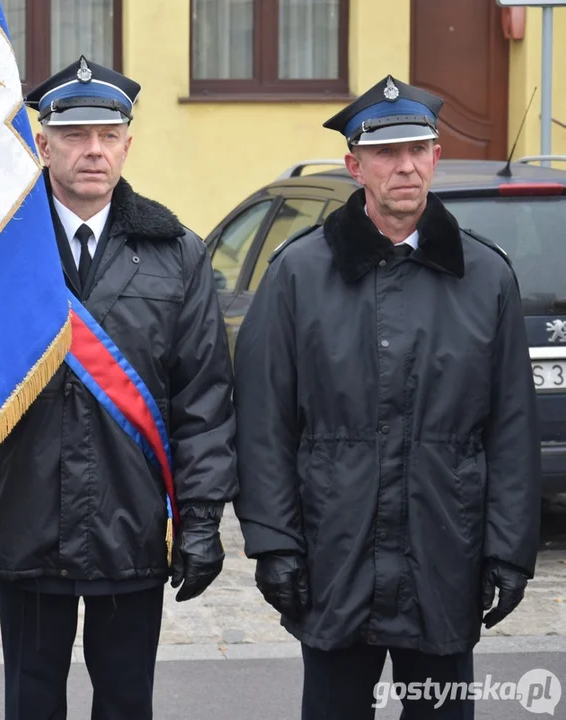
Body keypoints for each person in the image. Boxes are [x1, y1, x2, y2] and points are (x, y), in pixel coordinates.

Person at [232, 75, 541, 720]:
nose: (405, 166)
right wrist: (274, 544)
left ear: (435, 156)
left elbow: (512, 428)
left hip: (444, 552)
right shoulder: (298, 273)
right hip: (333, 551)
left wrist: (510, 549)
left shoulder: (486, 277)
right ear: (354, 165)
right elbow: (263, 423)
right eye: (385, 153)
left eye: (418, 149)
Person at [0, 56, 238, 719]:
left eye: (107, 134)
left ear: (126, 143)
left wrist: (201, 522)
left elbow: (202, 399)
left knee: (124, 701)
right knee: (30, 701)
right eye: (75, 135)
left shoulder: (176, 252)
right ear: (42, 142)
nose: (93, 150)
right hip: (22, 518)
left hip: (132, 522)